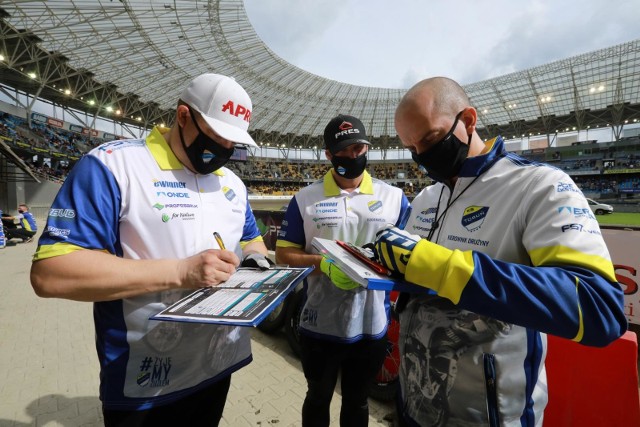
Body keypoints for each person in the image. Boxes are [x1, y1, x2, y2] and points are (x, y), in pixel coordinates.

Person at [373, 77, 627, 426]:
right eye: (412, 148)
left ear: (469, 120)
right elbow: (417, 280)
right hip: (414, 407)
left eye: (430, 139)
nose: (423, 156)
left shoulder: (539, 185)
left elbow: (600, 308)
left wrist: (441, 266)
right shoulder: (426, 198)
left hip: (492, 417)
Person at [30, 73, 273, 426]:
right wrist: (180, 272)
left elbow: (252, 238)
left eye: (232, 140)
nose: (223, 147)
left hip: (217, 365)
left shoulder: (232, 183)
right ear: (183, 116)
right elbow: (51, 273)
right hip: (142, 381)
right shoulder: (112, 166)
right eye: (216, 134)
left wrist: (258, 263)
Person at [275, 114, 411, 427]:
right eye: (344, 151)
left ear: (367, 149)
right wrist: (320, 264)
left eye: (358, 149)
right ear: (328, 154)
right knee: (318, 397)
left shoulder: (394, 198)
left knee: (357, 401)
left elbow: (408, 256)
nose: (352, 156)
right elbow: (283, 254)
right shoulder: (304, 199)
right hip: (318, 324)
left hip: (371, 326)